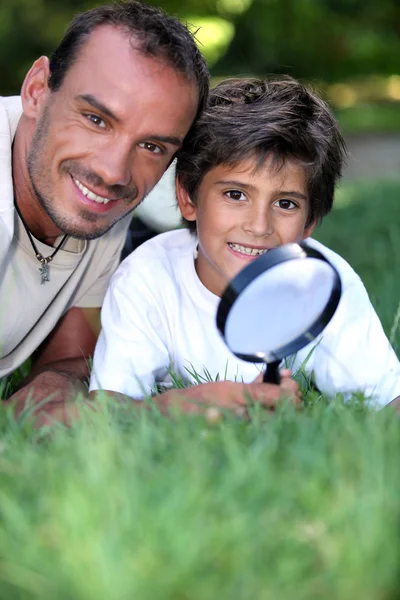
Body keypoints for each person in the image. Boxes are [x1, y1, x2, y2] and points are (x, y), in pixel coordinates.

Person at [90, 77, 400, 408]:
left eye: (286, 204)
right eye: (235, 195)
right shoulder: (146, 279)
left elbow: (388, 399)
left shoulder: (324, 282)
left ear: (310, 222)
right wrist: (190, 404)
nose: (258, 226)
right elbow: (109, 409)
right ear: (188, 198)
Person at [0, 0, 210, 423]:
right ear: (38, 90)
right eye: (96, 119)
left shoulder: (97, 207)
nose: (113, 172)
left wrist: (53, 385)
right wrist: (159, 412)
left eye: (152, 146)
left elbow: (70, 354)